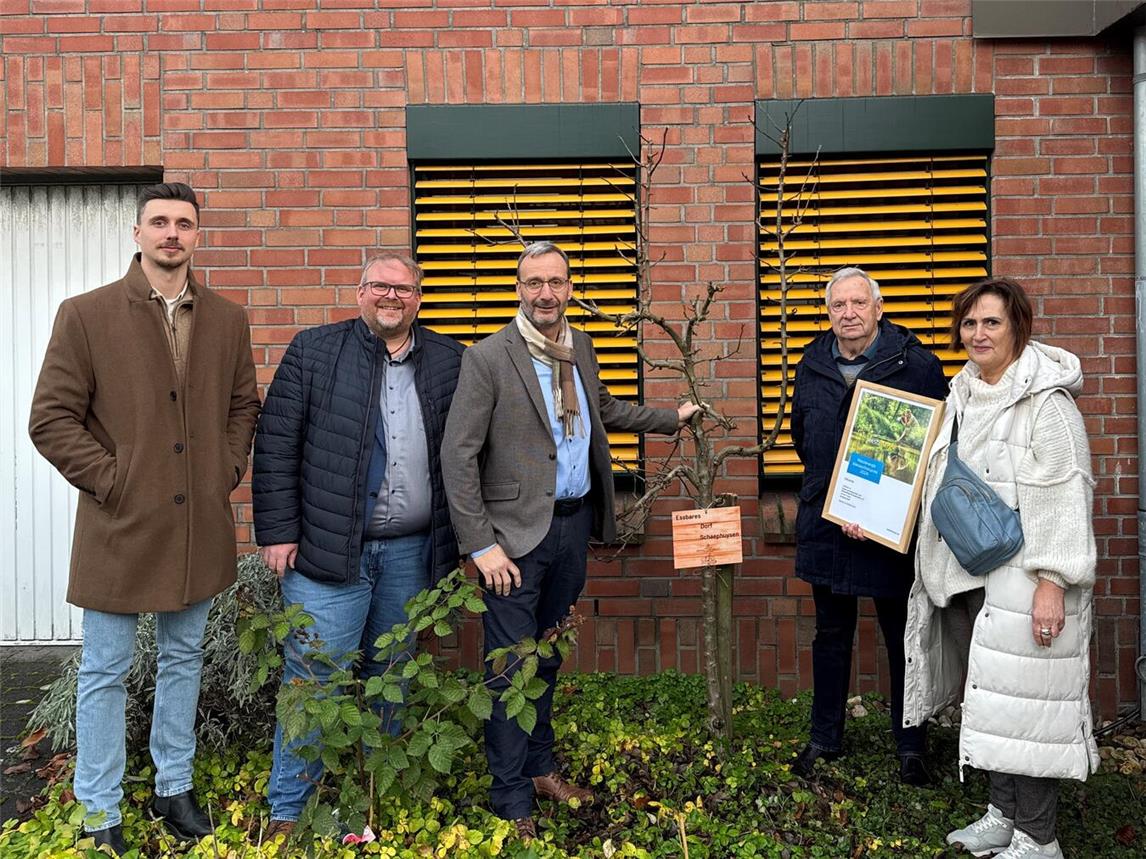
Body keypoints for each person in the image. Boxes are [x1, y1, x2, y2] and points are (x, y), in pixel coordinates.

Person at [441, 241, 702, 841]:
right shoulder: (487, 358)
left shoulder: (577, 346)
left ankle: (539, 770)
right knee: (510, 668)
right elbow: (458, 457)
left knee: (549, 656)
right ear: (518, 288)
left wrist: (672, 417)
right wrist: (481, 545)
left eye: (556, 281)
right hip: (512, 541)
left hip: (571, 527)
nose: (546, 294)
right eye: (534, 282)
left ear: (569, 286)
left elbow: (601, 409)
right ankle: (509, 798)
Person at [28, 182, 260, 855]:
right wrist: (112, 478)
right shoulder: (87, 314)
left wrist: (223, 468)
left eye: (184, 223)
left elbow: (243, 405)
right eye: (159, 222)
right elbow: (51, 418)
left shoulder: (226, 318)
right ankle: (100, 807)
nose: (171, 233)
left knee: (184, 657)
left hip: (197, 530)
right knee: (105, 668)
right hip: (117, 528)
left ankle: (173, 787)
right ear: (137, 233)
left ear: (197, 235)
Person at [252, 253, 464, 841]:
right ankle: (290, 809)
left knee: (391, 674)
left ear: (419, 297)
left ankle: (373, 796)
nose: (390, 297)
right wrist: (276, 531)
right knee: (314, 678)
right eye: (379, 286)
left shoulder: (450, 361)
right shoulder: (315, 350)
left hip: (411, 553)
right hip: (326, 550)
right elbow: (275, 445)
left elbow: (470, 454)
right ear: (360, 292)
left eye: (402, 288)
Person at [903, 278, 1097, 859]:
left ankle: (1038, 838)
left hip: (1023, 580)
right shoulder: (962, 393)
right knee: (991, 699)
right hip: (966, 577)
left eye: (991, 322)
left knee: (1025, 704)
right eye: (969, 323)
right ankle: (1002, 814)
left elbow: (1066, 496)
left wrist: (1052, 583)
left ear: (1018, 327)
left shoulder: (1047, 403)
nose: (978, 334)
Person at [790, 266, 948, 785]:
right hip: (828, 524)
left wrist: (882, 506)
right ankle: (824, 737)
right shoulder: (811, 364)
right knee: (830, 634)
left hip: (890, 533)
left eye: (859, 304)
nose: (849, 314)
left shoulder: (917, 366)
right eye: (839, 306)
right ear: (829, 312)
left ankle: (910, 745)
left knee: (902, 636)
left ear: (878, 309)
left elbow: (938, 445)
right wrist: (840, 497)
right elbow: (802, 438)